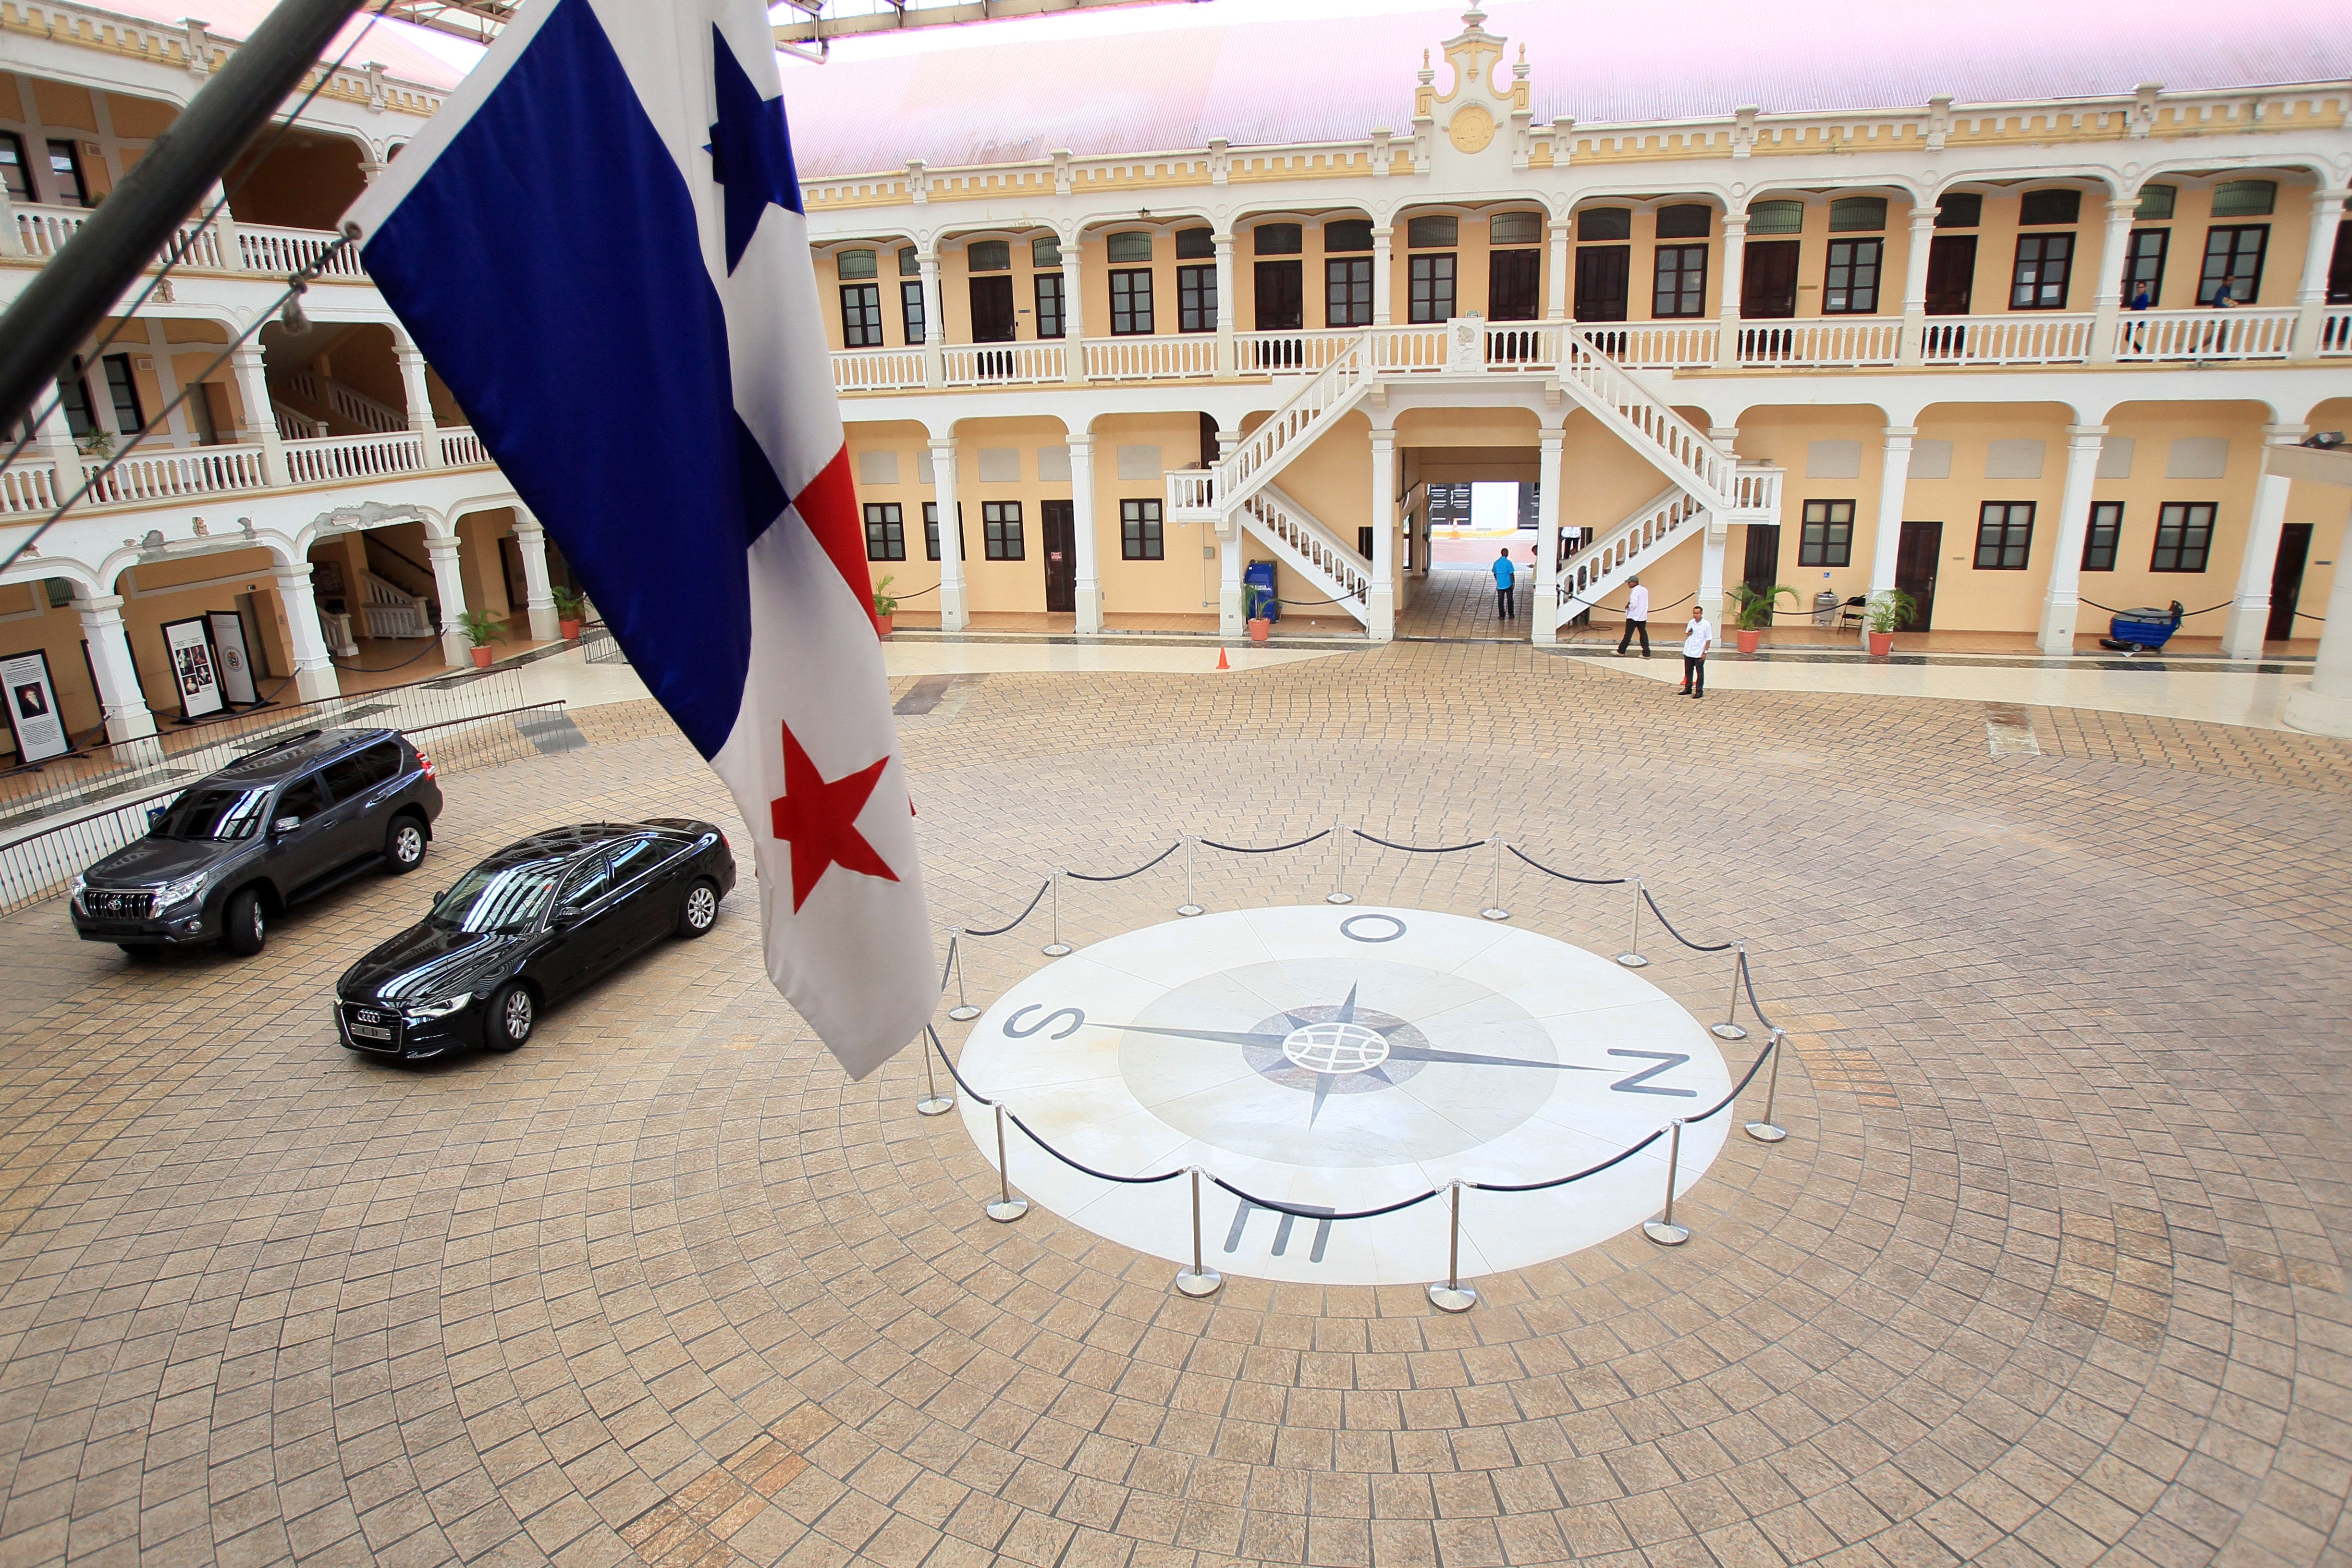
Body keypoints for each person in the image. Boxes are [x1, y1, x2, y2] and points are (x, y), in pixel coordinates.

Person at [1680, 604, 1713, 698]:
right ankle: (1688, 688)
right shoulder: (1691, 622)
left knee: (1700, 673)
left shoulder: (1706, 625)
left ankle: (1699, 691)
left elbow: (1709, 639)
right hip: (1689, 651)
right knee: (1688, 671)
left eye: (1698, 613)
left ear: (1701, 614)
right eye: (1694, 613)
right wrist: (1689, 632)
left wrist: (1705, 652)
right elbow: (1688, 633)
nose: (1696, 615)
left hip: (1699, 652)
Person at [1617, 576, 1652, 657]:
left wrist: (1629, 606)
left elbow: (1634, 604)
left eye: (1630, 582)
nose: (1628, 584)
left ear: (1635, 582)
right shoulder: (1644, 590)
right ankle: (1647, 653)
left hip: (1633, 616)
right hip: (1642, 616)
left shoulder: (1635, 591)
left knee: (1628, 635)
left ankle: (1621, 651)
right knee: (1643, 634)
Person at [1492, 547, 1516, 621]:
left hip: (1500, 585)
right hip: (1508, 584)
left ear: (1501, 553)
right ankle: (1511, 614)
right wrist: (1513, 582)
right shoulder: (1509, 563)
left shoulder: (1497, 563)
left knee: (1501, 600)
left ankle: (1502, 615)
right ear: (1507, 554)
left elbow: (1495, 573)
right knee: (1510, 599)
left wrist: (1498, 580)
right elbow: (1511, 574)